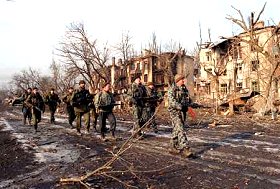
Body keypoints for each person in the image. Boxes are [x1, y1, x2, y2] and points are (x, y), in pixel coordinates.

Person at [167, 74, 193, 157]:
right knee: (180, 129)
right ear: (178, 80)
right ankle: (185, 148)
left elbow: (187, 100)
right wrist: (179, 106)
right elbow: (172, 101)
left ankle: (172, 147)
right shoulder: (172, 89)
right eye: (182, 79)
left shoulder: (184, 89)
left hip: (182, 111)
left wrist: (192, 104)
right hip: (174, 112)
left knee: (176, 129)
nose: (184, 80)